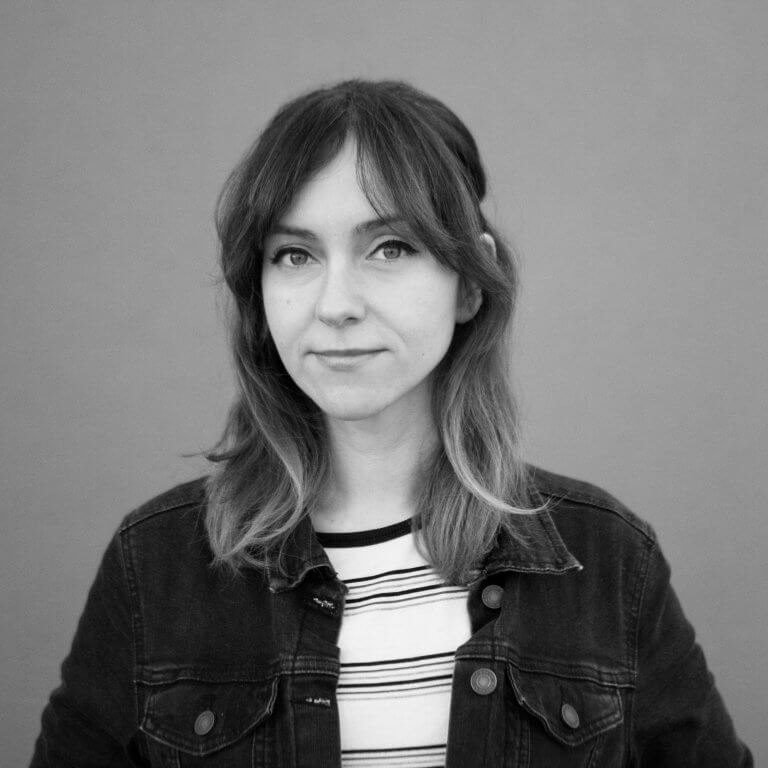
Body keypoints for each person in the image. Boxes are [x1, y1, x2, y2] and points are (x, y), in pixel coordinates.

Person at [31, 79, 751, 768]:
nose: (335, 304)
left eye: (390, 248)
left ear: (470, 282)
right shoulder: (154, 565)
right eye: (294, 254)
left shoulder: (608, 559)